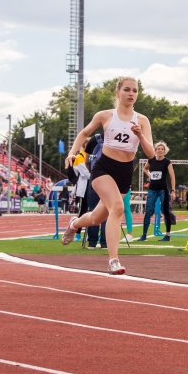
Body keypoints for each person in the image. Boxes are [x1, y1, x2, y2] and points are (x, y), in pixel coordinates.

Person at [62, 77, 155, 275]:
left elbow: (151, 154)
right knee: (119, 207)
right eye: (127, 90)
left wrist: (140, 136)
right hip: (103, 168)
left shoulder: (142, 120)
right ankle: (113, 260)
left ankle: (75, 224)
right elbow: (83, 133)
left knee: (97, 217)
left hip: (125, 172)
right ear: (118, 93)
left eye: (135, 91)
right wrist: (72, 152)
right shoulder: (105, 116)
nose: (131, 94)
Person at [139, 141, 176, 242]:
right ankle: (144, 235)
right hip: (152, 189)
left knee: (165, 211)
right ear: (155, 150)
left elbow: (172, 176)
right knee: (148, 211)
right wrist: (149, 175)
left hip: (163, 189)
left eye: (162, 149)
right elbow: (145, 169)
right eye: (158, 149)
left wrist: (173, 190)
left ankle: (167, 235)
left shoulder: (167, 162)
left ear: (165, 151)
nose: (160, 151)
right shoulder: (151, 160)